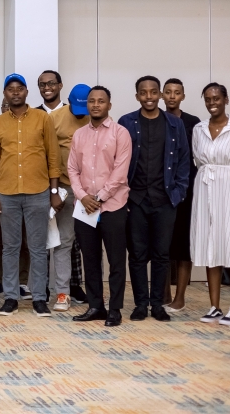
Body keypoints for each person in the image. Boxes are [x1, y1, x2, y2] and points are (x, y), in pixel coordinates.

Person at [0, 73, 61, 318]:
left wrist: (53, 191)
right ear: (5, 94)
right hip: (6, 194)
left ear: (27, 92)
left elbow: (53, 156)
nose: (15, 92)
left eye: (20, 88)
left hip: (38, 192)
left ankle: (39, 298)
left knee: (38, 248)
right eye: (11, 89)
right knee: (10, 247)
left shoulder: (42, 119)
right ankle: (11, 298)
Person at [119, 75, 190, 322]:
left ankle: (157, 304)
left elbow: (183, 159)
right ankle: (140, 304)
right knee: (137, 255)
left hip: (165, 199)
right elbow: (118, 160)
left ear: (159, 95)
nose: (148, 97)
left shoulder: (174, 124)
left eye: (153, 92)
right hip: (135, 200)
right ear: (137, 95)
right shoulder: (126, 122)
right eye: (143, 92)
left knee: (161, 254)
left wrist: (179, 193)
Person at [191, 83, 230, 326]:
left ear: (226, 99)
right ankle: (214, 307)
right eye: (207, 99)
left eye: (216, 98)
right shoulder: (198, 129)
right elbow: (199, 160)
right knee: (211, 248)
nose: (212, 103)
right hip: (206, 190)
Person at [68, 86, 132, 327]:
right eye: (92, 101)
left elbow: (120, 171)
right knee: (90, 259)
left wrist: (100, 197)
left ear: (109, 105)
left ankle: (114, 309)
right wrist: (83, 196)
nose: (95, 105)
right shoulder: (79, 135)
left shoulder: (121, 133)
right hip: (84, 208)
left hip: (113, 206)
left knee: (116, 260)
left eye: (101, 101)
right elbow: (72, 169)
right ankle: (96, 306)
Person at [47, 83, 92, 312]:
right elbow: (47, 153)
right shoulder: (55, 117)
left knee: (91, 243)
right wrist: (53, 190)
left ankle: (94, 294)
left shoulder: (102, 119)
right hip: (65, 187)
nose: (81, 113)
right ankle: (62, 293)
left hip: (92, 192)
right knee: (64, 241)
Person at [162, 78, 202, 313]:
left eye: (177, 92)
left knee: (184, 244)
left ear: (183, 96)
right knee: (163, 243)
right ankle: (163, 292)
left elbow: (197, 156)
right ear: (162, 95)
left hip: (187, 188)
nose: (172, 96)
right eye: (168, 92)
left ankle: (180, 296)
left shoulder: (193, 123)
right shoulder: (156, 119)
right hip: (162, 189)